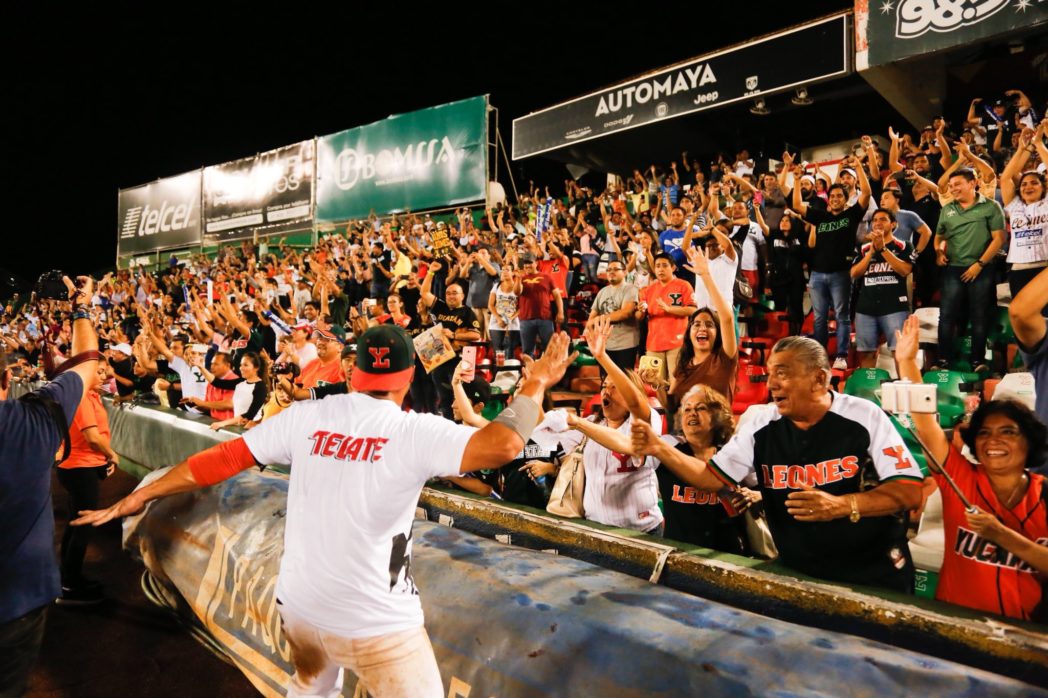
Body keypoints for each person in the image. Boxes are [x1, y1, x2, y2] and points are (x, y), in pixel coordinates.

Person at [73, 325, 577, 698]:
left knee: (312, 686)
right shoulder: (413, 430)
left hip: (301, 609)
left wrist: (148, 490)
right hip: (376, 622)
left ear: (354, 374)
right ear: (406, 380)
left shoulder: (308, 416)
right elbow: (505, 443)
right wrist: (537, 382)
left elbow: (221, 459)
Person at [634, 336, 924, 592]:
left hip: (872, 577)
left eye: (782, 373)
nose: (771, 383)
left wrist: (844, 505)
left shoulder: (864, 416)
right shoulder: (761, 422)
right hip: (799, 576)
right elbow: (712, 479)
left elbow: (910, 491)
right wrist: (659, 447)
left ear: (819, 379)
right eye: (770, 372)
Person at [896, 315, 1048, 620]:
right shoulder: (960, 478)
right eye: (984, 433)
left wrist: (1000, 535)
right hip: (955, 627)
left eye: (1008, 432)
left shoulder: (1044, 495)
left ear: (1028, 442)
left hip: (1025, 638)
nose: (994, 441)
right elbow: (925, 420)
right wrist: (907, 362)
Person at [1, 275, 99, 697]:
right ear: (6, 379)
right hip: (17, 602)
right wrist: (80, 307)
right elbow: (89, 361)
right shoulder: (32, 422)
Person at [557, 317, 664, 534]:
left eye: (615, 387)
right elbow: (544, 432)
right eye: (604, 386)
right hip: (594, 528)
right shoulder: (589, 424)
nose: (606, 391)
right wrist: (539, 384)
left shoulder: (645, 421)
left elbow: (635, 404)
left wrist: (602, 357)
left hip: (641, 530)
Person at [792, 154, 872, 369]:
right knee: (819, 319)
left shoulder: (851, 215)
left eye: (839, 196)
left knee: (842, 316)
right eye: (832, 196)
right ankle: (820, 356)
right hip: (817, 274)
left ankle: (841, 356)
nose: (835, 198)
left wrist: (858, 168)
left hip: (841, 274)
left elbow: (866, 193)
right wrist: (797, 179)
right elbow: (797, 205)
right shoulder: (821, 217)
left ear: (845, 199)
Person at [934, 169, 1006, 371]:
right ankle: (943, 361)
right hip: (953, 270)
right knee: (946, 316)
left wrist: (979, 264)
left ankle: (978, 361)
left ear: (973, 182)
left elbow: (999, 238)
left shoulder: (991, 206)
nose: (953, 189)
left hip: (982, 269)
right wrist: (939, 253)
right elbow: (939, 237)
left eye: (957, 184)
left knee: (979, 316)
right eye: (951, 185)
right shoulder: (947, 209)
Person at [670, 246, 739, 408]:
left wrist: (706, 275)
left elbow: (727, 318)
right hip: (685, 430)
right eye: (696, 324)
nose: (702, 328)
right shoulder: (684, 364)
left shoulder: (725, 358)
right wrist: (656, 384)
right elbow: (671, 405)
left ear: (718, 332)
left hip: (717, 431)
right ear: (689, 332)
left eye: (709, 324)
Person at [850, 209, 914, 369]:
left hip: (894, 307)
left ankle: (904, 388)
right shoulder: (863, 248)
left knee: (899, 353)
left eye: (883, 219)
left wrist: (883, 249)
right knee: (866, 353)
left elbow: (904, 270)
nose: (878, 222)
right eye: (875, 220)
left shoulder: (904, 246)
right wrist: (872, 250)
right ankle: (867, 391)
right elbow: (854, 273)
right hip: (866, 308)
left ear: (893, 224)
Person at [1000, 121, 1048, 299]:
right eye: (1024, 184)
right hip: (1019, 268)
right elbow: (1005, 178)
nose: (1028, 186)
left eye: (1034, 183)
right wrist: (1022, 149)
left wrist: (1038, 144)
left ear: (1043, 187)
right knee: (1023, 322)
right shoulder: (1015, 205)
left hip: (1045, 268)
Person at [638, 253, 696, 383]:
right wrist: (640, 310)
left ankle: (677, 404)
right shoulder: (648, 289)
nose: (660, 269)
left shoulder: (683, 285)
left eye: (665, 265)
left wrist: (670, 309)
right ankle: (663, 404)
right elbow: (639, 316)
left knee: (677, 382)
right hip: (653, 343)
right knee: (655, 383)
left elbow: (693, 309)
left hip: (677, 343)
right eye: (657, 266)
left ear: (673, 267)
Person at [589, 260, 640, 372]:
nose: (611, 272)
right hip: (605, 346)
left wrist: (599, 319)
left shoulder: (630, 289)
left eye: (616, 269)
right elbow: (590, 320)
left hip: (625, 344)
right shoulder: (602, 292)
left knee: (624, 383)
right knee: (605, 382)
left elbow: (625, 313)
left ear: (625, 272)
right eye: (608, 270)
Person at [209, 351, 269, 431]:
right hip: (239, 428)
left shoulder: (261, 387)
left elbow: (249, 415)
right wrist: (200, 366)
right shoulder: (240, 382)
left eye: (245, 365)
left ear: (256, 368)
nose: (241, 368)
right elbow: (218, 383)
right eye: (241, 365)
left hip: (252, 430)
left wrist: (223, 423)